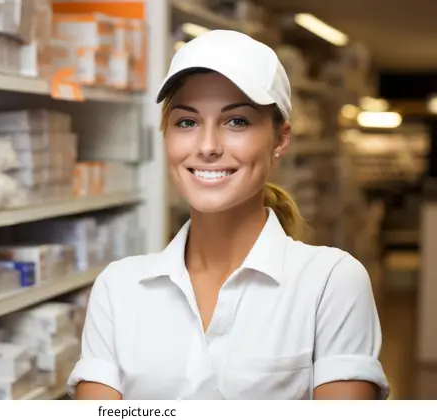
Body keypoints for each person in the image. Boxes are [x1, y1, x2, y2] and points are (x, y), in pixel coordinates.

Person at [67, 30, 389, 400]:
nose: (207, 147)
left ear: (280, 139)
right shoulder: (119, 288)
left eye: (236, 121)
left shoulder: (330, 283)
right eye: (187, 122)